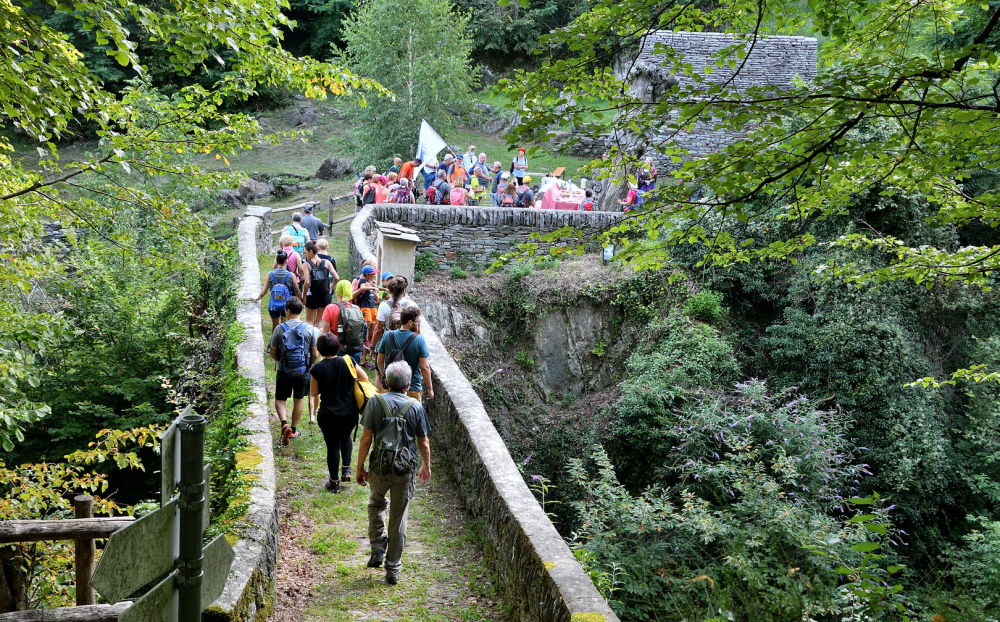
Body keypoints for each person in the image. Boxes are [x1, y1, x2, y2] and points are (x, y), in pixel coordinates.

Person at [355, 360, 431, 586]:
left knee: (376, 503)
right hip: (404, 470)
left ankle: (378, 547)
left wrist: (360, 468)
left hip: (379, 467)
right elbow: (423, 442)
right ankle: (393, 570)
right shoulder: (415, 406)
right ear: (408, 385)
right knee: (398, 519)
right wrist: (425, 465)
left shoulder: (375, 402)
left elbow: (366, 439)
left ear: (386, 382)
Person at [311, 332, 369, 492]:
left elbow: (313, 392)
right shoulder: (348, 361)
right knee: (345, 436)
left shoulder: (318, 368)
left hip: (328, 414)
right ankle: (347, 470)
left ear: (320, 350)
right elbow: (364, 378)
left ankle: (334, 481)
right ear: (337, 346)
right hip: (349, 412)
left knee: (332, 446)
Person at [269, 296, 319, 446]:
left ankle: (284, 424)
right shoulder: (309, 329)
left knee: (280, 399)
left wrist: (280, 361)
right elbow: (315, 354)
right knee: (299, 399)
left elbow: (273, 352)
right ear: (301, 311)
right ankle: (294, 429)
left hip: (284, 371)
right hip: (302, 371)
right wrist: (308, 365)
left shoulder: (280, 328)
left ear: (288, 311)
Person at [376, 306, 433, 403]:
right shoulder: (419, 340)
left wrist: (385, 377)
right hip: (412, 388)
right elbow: (425, 368)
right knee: (412, 417)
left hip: (390, 388)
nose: (419, 325)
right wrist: (430, 388)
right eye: (418, 322)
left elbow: (379, 361)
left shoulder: (387, 335)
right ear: (410, 322)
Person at [322, 280, 367, 364]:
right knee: (352, 374)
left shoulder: (330, 308)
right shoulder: (356, 308)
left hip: (336, 349)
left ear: (337, 291)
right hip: (354, 348)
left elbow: (325, 331)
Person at [256, 251, 301, 330]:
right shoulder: (291, 275)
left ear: (276, 261)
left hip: (273, 304)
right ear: (286, 261)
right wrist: (301, 300)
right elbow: (297, 291)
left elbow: (263, 292)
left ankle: (275, 341)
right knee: (286, 327)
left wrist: (256, 298)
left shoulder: (270, 274)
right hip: (287, 304)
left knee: (275, 326)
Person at [302, 241, 337, 327]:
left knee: (309, 321)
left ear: (310, 252)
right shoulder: (327, 262)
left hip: (312, 295)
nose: (305, 254)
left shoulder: (306, 265)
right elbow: (336, 278)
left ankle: (310, 339)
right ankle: (319, 339)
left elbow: (307, 282)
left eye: (305, 252)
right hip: (325, 294)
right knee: (319, 321)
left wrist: (304, 296)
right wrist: (331, 287)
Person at [353, 264, 380, 366]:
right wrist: (372, 287)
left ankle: (367, 345)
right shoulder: (362, 282)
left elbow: (375, 294)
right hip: (364, 306)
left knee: (374, 324)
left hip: (372, 306)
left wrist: (377, 288)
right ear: (368, 275)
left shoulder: (369, 282)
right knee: (366, 326)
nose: (375, 275)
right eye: (373, 274)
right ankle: (365, 343)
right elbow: (363, 288)